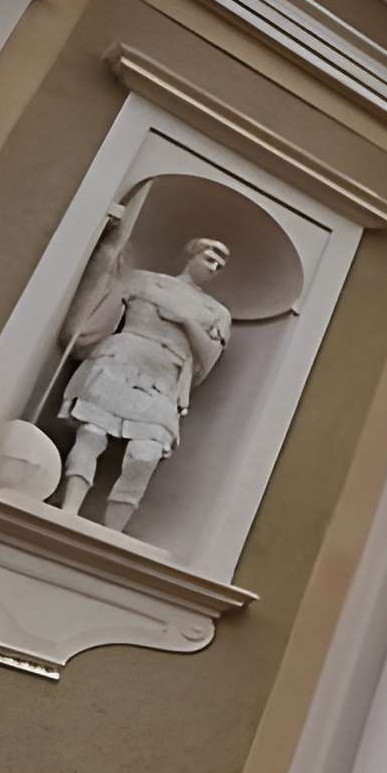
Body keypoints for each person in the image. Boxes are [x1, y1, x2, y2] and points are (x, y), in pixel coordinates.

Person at [55, 204, 233, 531]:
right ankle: (68, 511)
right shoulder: (144, 281)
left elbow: (206, 360)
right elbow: (103, 312)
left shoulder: (215, 311)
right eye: (209, 257)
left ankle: (111, 534)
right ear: (191, 254)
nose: (214, 267)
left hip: (165, 377)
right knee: (92, 433)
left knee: (146, 454)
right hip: (121, 358)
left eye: (220, 265)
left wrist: (186, 321)